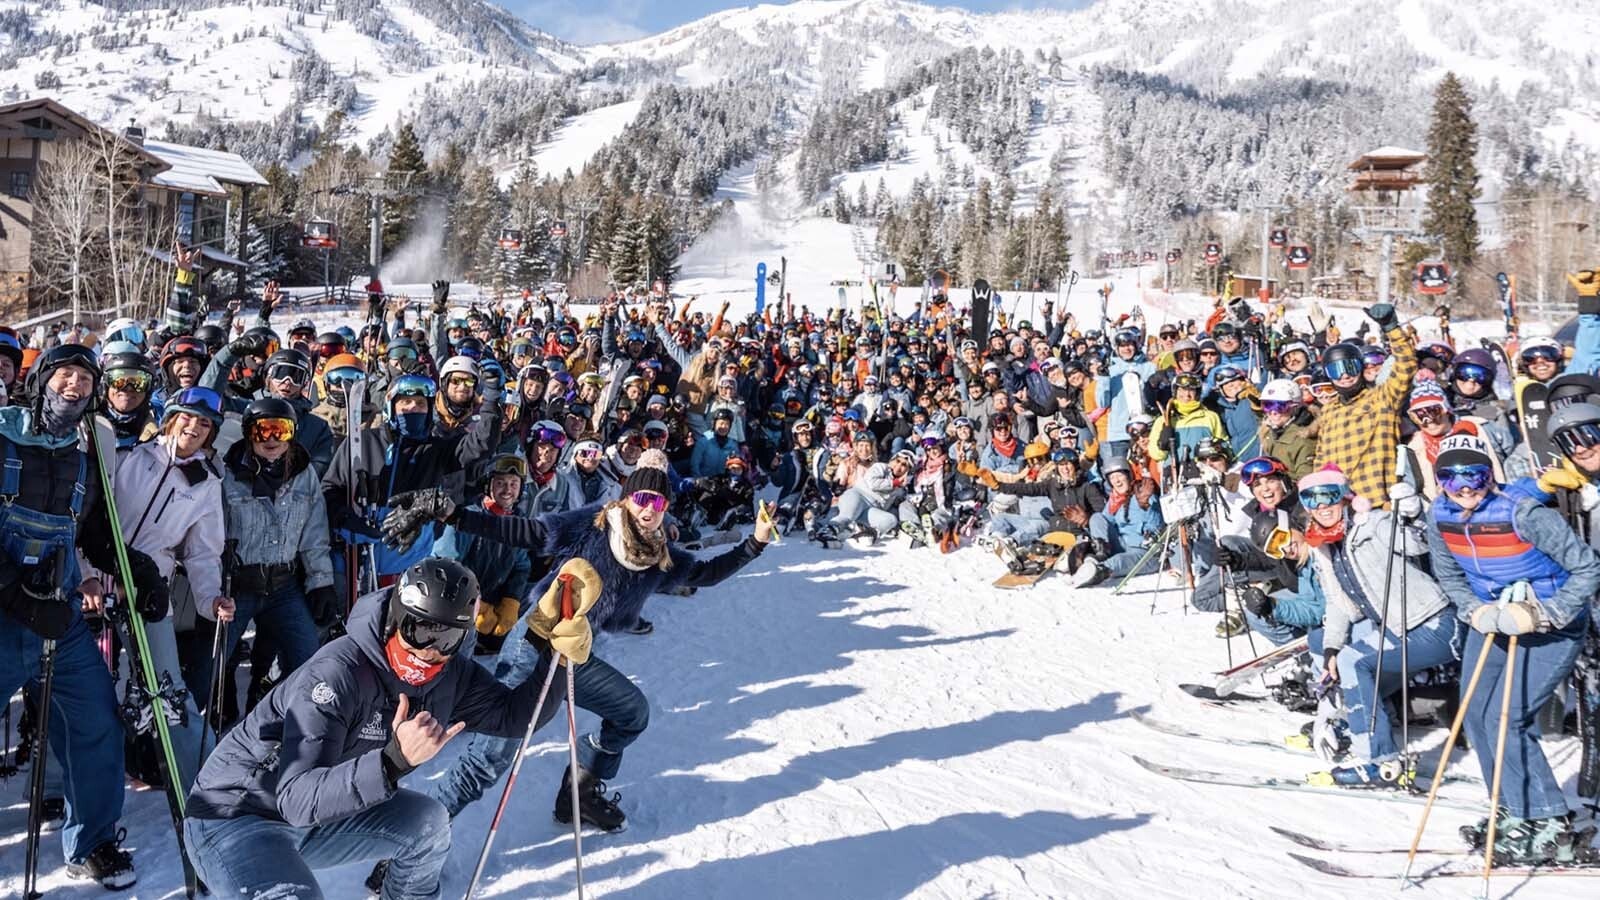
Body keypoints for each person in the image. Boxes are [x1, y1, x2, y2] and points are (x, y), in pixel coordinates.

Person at [379, 455, 774, 832]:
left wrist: (754, 544)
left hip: (577, 654)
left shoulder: (657, 559)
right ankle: (416, 838)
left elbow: (705, 572)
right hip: (534, 644)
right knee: (491, 757)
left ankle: (579, 794)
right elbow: (529, 532)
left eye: (658, 500)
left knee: (631, 712)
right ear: (626, 499)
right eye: (641, 498)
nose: (649, 508)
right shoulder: (597, 525)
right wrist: (455, 515)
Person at [182, 558, 576, 899]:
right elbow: (297, 799)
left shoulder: (450, 676)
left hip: (319, 817)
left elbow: (515, 716)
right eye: (421, 631)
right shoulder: (337, 675)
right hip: (236, 818)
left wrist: (557, 656)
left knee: (428, 824)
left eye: (449, 637)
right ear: (396, 618)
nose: (430, 651)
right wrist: (392, 763)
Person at [0, 345, 169, 888]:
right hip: (6, 616)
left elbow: (90, 527)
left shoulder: (87, 446)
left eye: (84, 378)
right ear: (43, 379)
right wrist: (19, 600)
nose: (74, 385)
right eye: (65, 374)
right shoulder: (4, 431)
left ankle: (91, 840)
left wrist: (138, 568)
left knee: (96, 722)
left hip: (60, 618)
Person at [1426, 431, 1600, 863]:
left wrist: (1546, 612)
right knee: (1476, 712)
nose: (1465, 487)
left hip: (1551, 625)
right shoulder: (1439, 516)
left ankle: (1547, 817)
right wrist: (1475, 611)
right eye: (1451, 477)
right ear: (1439, 480)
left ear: (1490, 475)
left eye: (1475, 475)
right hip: (1493, 620)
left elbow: (1587, 567)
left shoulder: (1523, 513)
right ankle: (1511, 807)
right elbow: (1449, 576)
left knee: (1509, 716)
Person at [1296, 464, 1462, 788]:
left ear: (1344, 497)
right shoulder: (1324, 548)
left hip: (1433, 622)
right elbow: (1337, 603)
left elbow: (1418, 543)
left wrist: (1413, 513)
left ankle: (1379, 761)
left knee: (1355, 663)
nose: (1322, 506)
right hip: (1397, 629)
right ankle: (1358, 725)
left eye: (1329, 496)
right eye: (1311, 499)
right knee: (1348, 664)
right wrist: (1332, 645)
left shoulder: (1373, 524)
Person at [99, 384, 231, 791]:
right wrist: (91, 574)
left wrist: (210, 601)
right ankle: (69, 783)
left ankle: (209, 779)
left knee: (168, 689)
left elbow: (203, 553)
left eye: (205, 423)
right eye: (188, 418)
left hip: (149, 591)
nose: (194, 428)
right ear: (171, 418)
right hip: (96, 581)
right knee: (90, 689)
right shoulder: (131, 458)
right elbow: (91, 516)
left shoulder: (205, 483)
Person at [205, 398, 337, 709]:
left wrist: (322, 583)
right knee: (210, 666)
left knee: (307, 660)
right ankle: (209, 716)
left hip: (283, 586)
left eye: (282, 430)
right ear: (249, 433)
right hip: (237, 586)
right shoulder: (227, 475)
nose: (273, 439)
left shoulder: (303, 476)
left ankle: (279, 713)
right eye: (264, 430)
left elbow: (314, 534)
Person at [1316, 303, 1417, 508]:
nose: (1344, 376)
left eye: (1350, 367)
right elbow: (1321, 457)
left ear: (1361, 368)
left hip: (1378, 502)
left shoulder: (1382, 398)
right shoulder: (1329, 410)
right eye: (1336, 371)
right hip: (1340, 505)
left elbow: (1406, 366)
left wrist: (1391, 328)